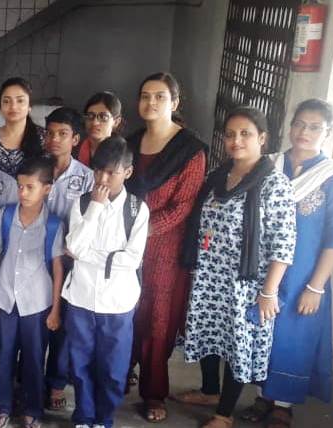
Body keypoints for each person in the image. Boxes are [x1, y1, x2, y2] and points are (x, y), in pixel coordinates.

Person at [236, 99, 333, 427]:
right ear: (290, 126)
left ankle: (283, 406)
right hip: (262, 271)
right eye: (300, 123)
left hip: (304, 276)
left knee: (293, 339)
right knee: (261, 334)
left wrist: (315, 287)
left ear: (328, 132)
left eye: (315, 127)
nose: (305, 132)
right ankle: (262, 397)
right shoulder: (268, 164)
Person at [179, 106, 297, 428]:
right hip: (210, 276)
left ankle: (224, 414)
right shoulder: (217, 176)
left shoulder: (274, 184)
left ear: (262, 138)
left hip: (246, 284)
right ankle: (209, 391)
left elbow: (283, 244)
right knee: (208, 334)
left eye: (246, 134)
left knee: (236, 345)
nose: (236, 141)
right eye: (230, 134)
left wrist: (268, 292)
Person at [123, 72, 207, 422]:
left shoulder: (190, 149)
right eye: (145, 95)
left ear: (175, 102)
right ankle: (120, 372)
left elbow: (183, 205)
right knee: (124, 312)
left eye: (160, 96)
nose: (151, 102)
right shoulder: (130, 144)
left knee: (158, 321)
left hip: (165, 249)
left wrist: (142, 232)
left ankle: (154, 393)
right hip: (125, 243)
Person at [64, 136, 150, 428]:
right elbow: (73, 248)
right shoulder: (83, 203)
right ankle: (84, 416)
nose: (102, 179)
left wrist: (90, 255)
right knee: (80, 363)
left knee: (113, 368)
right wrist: (96, 209)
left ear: (128, 172)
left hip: (117, 302)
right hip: (81, 297)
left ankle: (103, 418)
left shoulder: (137, 210)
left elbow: (132, 259)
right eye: (98, 170)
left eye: (111, 173)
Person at [0, 156, 64, 428]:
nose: (23, 193)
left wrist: (55, 310)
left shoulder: (53, 224)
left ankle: (32, 409)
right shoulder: (5, 215)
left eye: (30, 187)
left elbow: (57, 268)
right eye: (20, 186)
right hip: (6, 298)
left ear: (47, 189)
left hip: (37, 303)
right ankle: (1, 407)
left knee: (34, 357)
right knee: (3, 355)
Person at [42, 106, 95, 411]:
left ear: (75, 139)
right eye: (50, 133)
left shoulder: (86, 178)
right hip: (35, 257)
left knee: (61, 326)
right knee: (35, 320)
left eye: (62, 134)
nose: (54, 140)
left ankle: (56, 383)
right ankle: (28, 375)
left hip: (69, 260)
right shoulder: (36, 169)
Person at [0, 77, 44, 176]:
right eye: (6, 101)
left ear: (29, 106)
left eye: (20, 101)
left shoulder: (44, 138)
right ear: (0, 108)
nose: (13, 106)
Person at [76, 91, 124, 166]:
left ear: (116, 122)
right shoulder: (74, 148)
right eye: (90, 116)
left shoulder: (122, 153)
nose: (95, 123)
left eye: (103, 117)